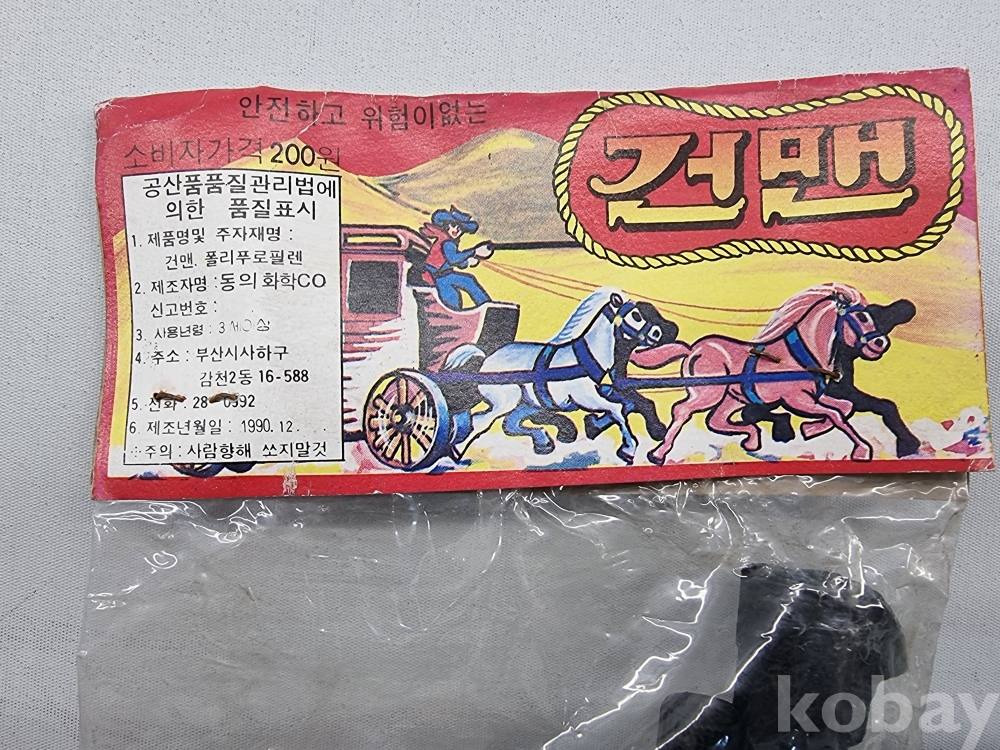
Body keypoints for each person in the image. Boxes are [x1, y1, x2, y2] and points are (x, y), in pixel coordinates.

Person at [421, 206, 493, 310]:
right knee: (457, 291)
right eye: (453, 225)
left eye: (460, 228)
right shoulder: (447, 242)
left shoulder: (449, 240)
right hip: (436, 276)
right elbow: (453, 259)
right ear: (446, 225)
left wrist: (467, 262)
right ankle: (487, 306)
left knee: (466, 283)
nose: (456, 230)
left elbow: (451, 261)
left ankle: (487, 306)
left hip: (444, 274)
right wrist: (474, 251)